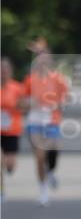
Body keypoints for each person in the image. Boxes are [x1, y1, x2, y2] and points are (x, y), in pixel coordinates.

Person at [23, 45, 69, 206]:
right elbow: (23, 100)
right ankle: (43, 190)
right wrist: (29, 103)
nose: (42, 60)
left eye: (46, 57)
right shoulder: (30, 79)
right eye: (39, 57)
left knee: (54, 151)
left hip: (52, 120)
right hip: (35, 121)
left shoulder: (58, 79)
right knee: (40, 156)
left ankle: (50, 171)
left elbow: (66, 98)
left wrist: (59, 103)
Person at [1, 58, 27, 194]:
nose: (3, 71)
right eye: (1, 69)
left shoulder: (17, 88)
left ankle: (8, 168)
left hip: (12, 129)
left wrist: (18, 106)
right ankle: (1, 189)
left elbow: (24, 107)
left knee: (9, 164)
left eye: (5, 69)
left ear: (10, 71)